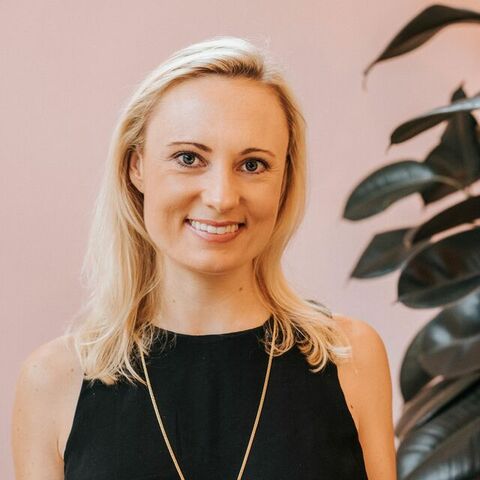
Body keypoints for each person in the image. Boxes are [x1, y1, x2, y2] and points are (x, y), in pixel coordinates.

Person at [11, 35, 396, 479]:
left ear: (284, 179)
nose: (221, 197)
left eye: (252, 165)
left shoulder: (350, 357)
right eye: (189, 158)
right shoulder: (52, 380)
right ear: (137, 166)